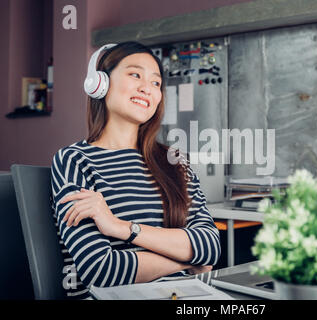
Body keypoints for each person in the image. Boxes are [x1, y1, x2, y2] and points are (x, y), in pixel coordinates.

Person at [50, 41, 221, 299]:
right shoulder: (74, 160)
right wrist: (186, 261)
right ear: (100, 84)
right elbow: (101, 270)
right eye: (135, 75)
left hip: (182, 296)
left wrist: (121, 228)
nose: (147, 88)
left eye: (155, 83)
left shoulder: (175, 161)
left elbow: (209, 246)